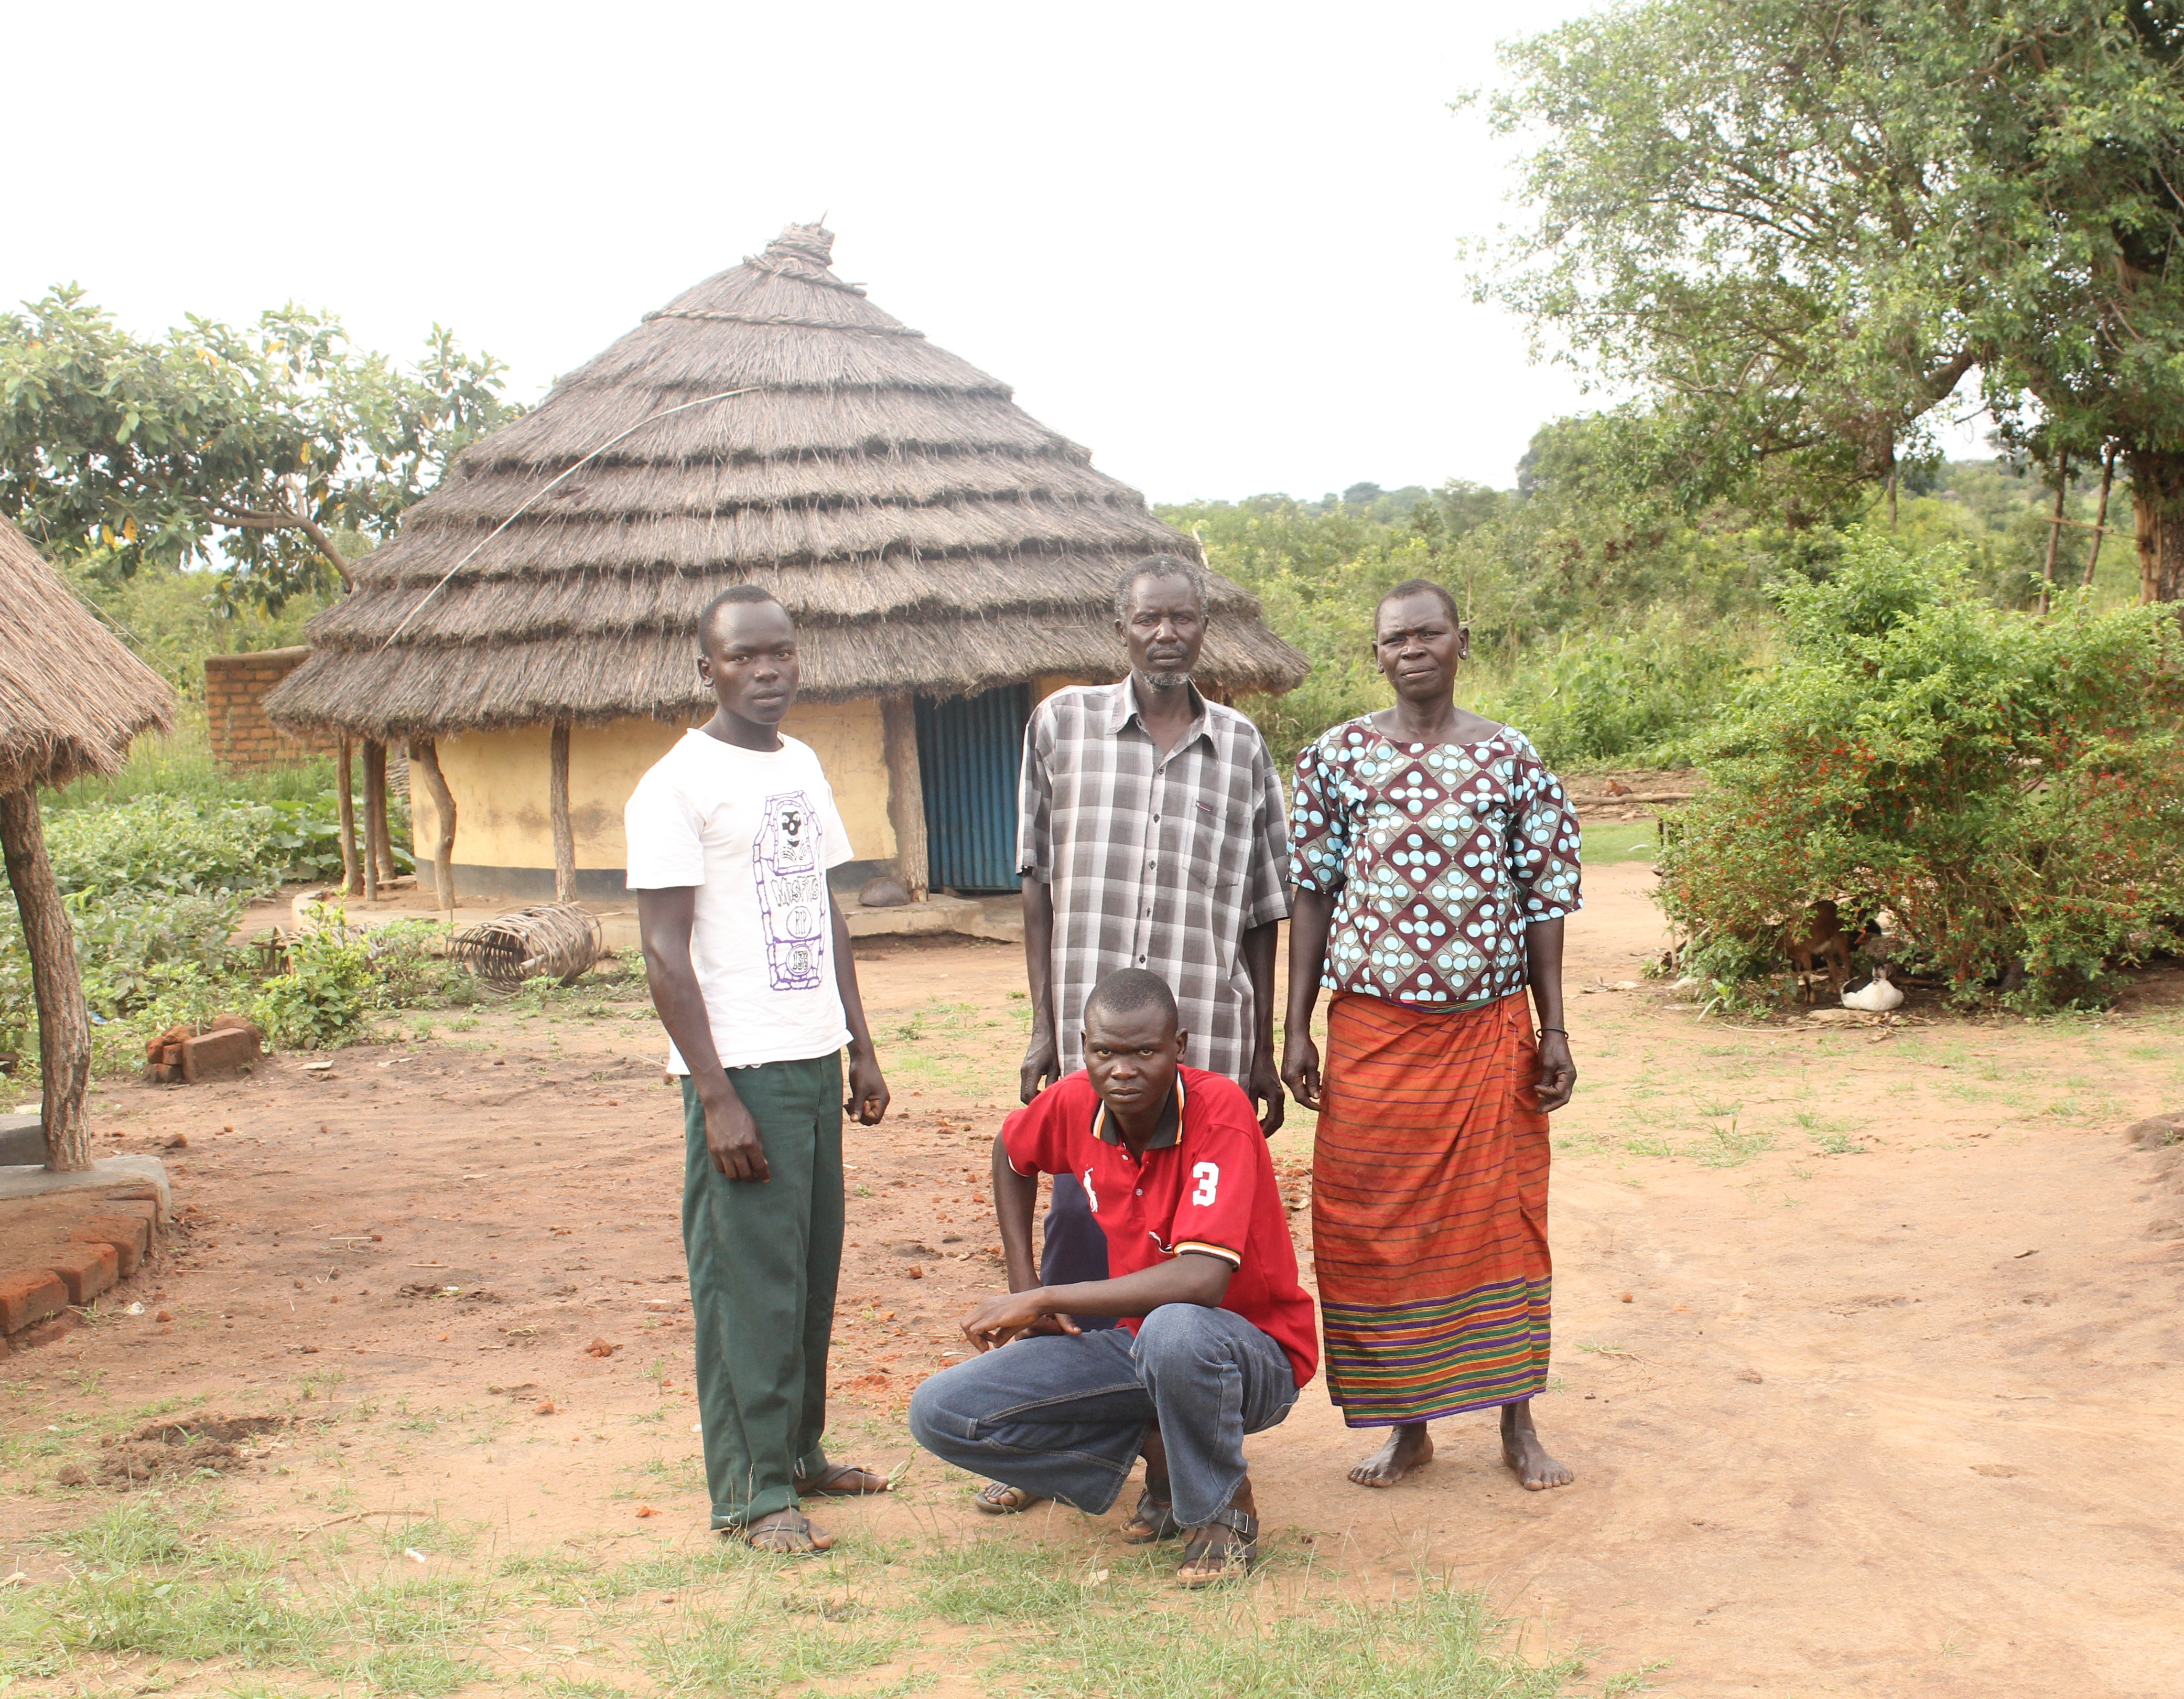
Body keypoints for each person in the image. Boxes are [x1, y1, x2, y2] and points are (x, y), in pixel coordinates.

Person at [1281, 577, 1582, 1493]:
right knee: (1371, 1223)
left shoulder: (1512, 759)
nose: (1411, 649)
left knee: (1504, 1224)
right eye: (1393, 638)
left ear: (1461, 640)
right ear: (1376, 654)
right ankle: (1405, 1427)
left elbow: (1544, 899)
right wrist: (1293, 1025)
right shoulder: (1335, 759)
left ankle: (1516, 1421)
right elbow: (1312, 891)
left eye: (1428, 633)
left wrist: (1554, 1025)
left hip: (1490, 1035)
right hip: (1373, 1036)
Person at [626, 585, 892, 1553]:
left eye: (782, 652)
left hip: (812, 1057)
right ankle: (749, 1496)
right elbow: (663, 952)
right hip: (741, 1071)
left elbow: (825, 912)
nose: (769, 671)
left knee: (809, 1271)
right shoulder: (675, 785)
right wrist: (715, 1093)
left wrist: (857, 1043)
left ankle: (800, 1456)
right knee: (748, 1283)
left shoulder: (804, 765)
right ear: (709, 669)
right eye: (745, 657)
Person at [909, 969, 1318, 1587]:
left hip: (1252, 1357)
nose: (1121, 1070)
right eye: (1104, 1052)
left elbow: (1202, 1280)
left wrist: (1044, 1295)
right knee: (940, 1411)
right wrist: (1024, 1282)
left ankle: (1220, 1510)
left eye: (1143, 1052)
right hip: (1141, 1349)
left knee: (1176, 1328)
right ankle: (1159, 1456)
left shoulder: (1219, 1112)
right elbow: (1011, 1153)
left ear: (1177, 1048)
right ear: (1084, 1048)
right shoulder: (1075, 1100)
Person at [1012, 552, 1290, 1329]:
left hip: (1208, 1036)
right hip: (1095, 1044)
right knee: (1078, 1218)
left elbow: (1265, 911)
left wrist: (1263, 1049)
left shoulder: (1241, 748)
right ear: (1120, 630)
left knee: (1201, 1238)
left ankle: (1184, 1414)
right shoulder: (1060, 725)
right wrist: (1043, 1026)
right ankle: (1079, 1405)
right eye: (1148, 619)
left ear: (1204, 629)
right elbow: (1034, 881)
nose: (1165, 634)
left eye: (1182, 618)